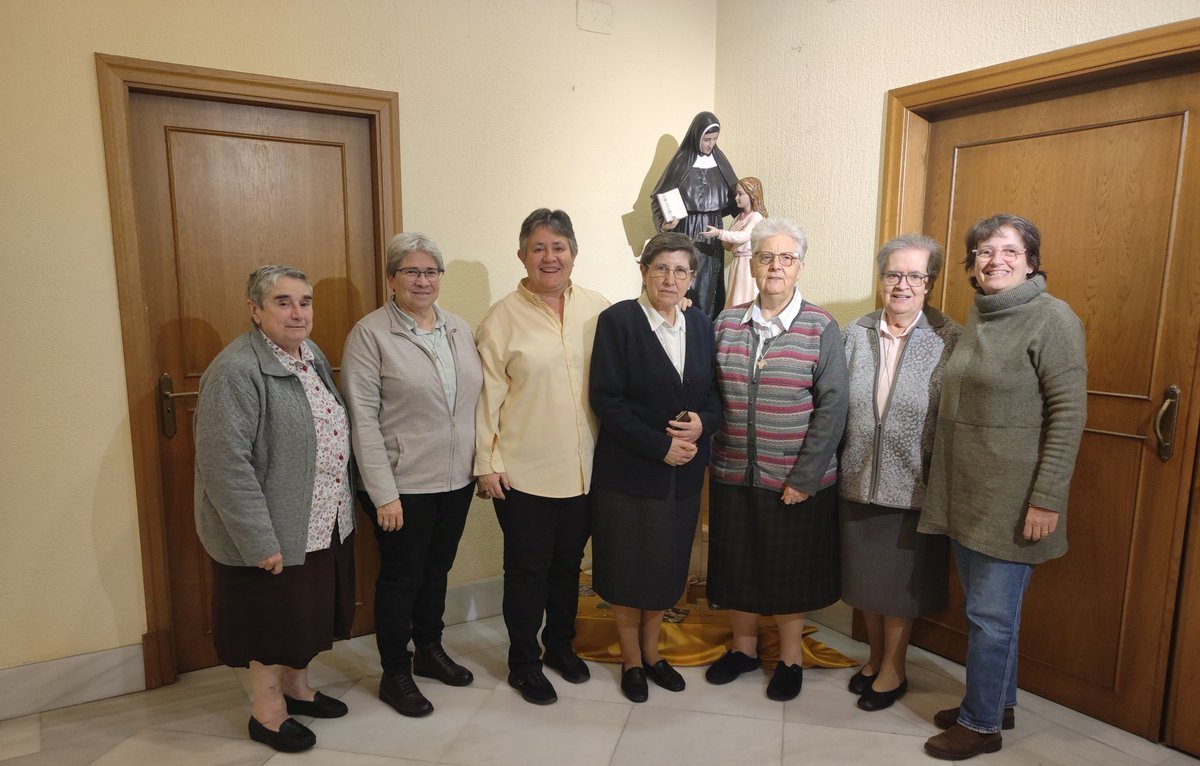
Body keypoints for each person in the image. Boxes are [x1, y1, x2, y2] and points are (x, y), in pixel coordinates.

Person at [919, 214, 1087, 760]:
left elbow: (1068, 414)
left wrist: (1046, 498)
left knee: (992, 617)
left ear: (1031, 260)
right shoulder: (985, 314)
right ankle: (998, 702)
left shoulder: (1052, 318)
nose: (996, 260)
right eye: (984, 251)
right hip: (967, 494)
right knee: (988, 614)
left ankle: (981, 725)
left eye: (1009, 250)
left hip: (1013, 501)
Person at [194, 265, 355, 754]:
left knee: (304, 616)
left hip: (321, 517)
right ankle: (268, 713)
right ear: (255, 309)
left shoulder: (311, 355)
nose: (297, 312)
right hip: (271, 529)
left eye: (304, 301)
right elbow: (226, 467)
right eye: (283, 302)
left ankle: (298, 689)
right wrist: (258, 539)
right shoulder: (235, 370)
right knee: (270, 623)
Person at [705, 218, 849, 701]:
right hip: (731, 472)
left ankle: (790, 658)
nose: (775, 266)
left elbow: (833, 408)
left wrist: (806, 476)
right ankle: (743, 650)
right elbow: (708, 395)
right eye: (767, 256)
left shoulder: (820, 326)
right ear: (753, 262)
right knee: (736, 567)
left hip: (795, 479)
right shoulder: (726, 322)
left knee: (788, 574)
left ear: (800, 267)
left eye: (786, 258)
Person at [341, 233, 483, 718]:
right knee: (402, 578)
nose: (422, 280)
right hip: (400, 485)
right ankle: (394, 672)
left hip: (455, 479)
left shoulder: (459, 329)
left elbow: (474, 405)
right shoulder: (370, 334)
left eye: (431, 272)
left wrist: (479, 465)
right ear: (390, 279)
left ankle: (429, 649)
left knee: (436, 571)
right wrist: (382, 493)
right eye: (411, 271)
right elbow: (361, 418)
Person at [474, 208, 610, 705]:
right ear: (522, 255)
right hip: (522, 475)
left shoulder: (600, 309)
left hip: (586, 469)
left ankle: (559, 647)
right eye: (539, 247)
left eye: (559, 247)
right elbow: (486, 397)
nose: (549, 257)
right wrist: (486, 464)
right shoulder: (501, 318)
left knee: (569, 566)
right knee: (528, 572)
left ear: (574, 253)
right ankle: (523, 662)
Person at [589, 232, 723, 702]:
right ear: (643, 272)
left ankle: (653, 653)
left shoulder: (703, 326)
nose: (670, 278)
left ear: (693, 277)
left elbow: (714, 398)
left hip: (684, 474)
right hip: (629, 472)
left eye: (681, 270)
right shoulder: (618, 322)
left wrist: (700, 426)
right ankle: (630, 661)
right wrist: (658, 446)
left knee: (666, 568)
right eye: (661, 268)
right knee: (628, 569)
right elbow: (606, 398)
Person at [839, 235, 961, 712]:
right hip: (856, 477)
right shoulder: (856, 332)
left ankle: (895, 669)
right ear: (882, 278)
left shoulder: (950, 338)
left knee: (899, 589)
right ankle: (873, 659)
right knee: (868, 581)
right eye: (894, 274)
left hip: (913, 483)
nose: (903, 284)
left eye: (915, 275)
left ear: (929, 283)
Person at [649, 110, 739, 318]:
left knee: (709, 287)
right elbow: (658, 199)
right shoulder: (681, 164)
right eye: (706, 139)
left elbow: (737, 199)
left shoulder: (720, 163)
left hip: (711, 234)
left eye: (714, 140)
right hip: (685, 230)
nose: (710, 144)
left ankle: (705, 329)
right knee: (683, 283)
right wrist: (664, 225)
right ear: (696, 136)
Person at [703, 176, 767, 308]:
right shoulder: (739, 217)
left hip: (748, 263)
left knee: (744, 295)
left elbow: (743, 236)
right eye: (736, 194)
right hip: (737, 262)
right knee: (734, 294)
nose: (736, 198)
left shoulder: (756, 217)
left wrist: (719, 233)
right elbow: (728, 245)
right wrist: (725, 237)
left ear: (751, 195)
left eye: (740, 194)